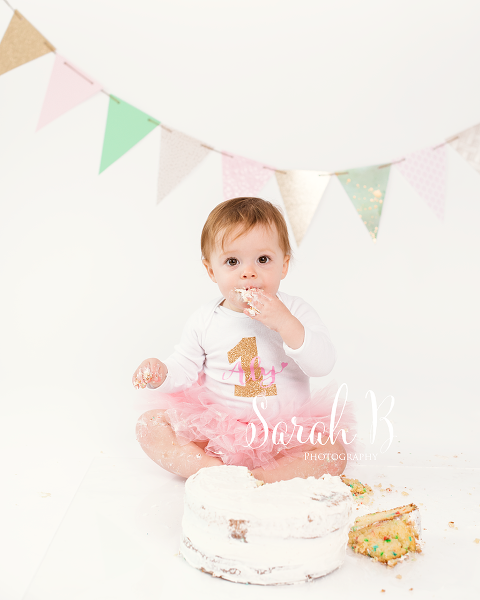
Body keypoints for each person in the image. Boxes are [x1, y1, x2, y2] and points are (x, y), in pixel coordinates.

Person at [133, 197, 358, 483]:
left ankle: (260, 478)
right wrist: (161, 372)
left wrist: (286, 323)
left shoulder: (296, 311)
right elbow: (184, 367)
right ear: (212, 271)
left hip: (283, 437)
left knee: (333, 453)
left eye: (263, 260)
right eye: (232, 261)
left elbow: (323, 364)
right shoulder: (205, 319)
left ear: (284, 265)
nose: (248, 272)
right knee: (150, 425)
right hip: (218, 433)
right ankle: (213, 471)